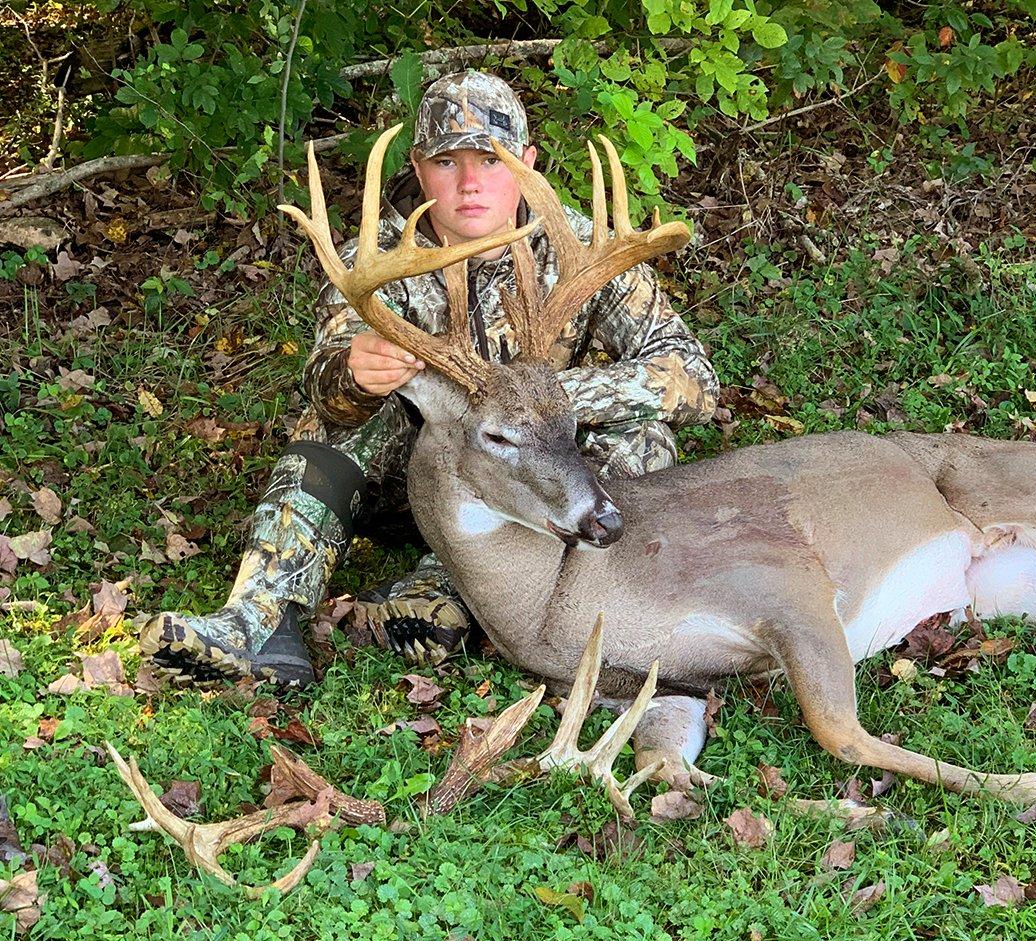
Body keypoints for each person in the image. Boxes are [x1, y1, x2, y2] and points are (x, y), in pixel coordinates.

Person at [141, 70, 719, 687]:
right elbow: (323, 382)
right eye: (447, 162)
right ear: (418, 169)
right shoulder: (379, 255)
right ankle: (260, 620)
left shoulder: (581, 249)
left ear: (526, 162)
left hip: (533, 481)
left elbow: (693, 378)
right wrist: (353, 376)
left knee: (640, 434)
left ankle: (447, 589)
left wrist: (547, 404)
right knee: (336, 424)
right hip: (411, 479)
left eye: (491, 160)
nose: (470, 183)